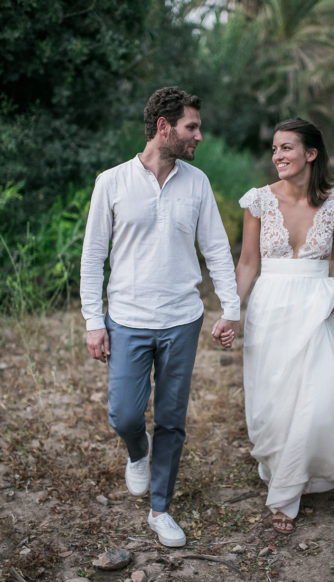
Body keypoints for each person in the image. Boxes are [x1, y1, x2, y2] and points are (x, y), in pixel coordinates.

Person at [80, 86, 240, 547]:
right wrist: (95, 320)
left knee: (171, 418)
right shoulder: (111, 182)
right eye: (192, 127)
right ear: (164, 127)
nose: (200, 136)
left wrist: (230, 308)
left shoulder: (198, 183)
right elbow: (93, 258)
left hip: (181, 319)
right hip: (126, 319)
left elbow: (215, 250)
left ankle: (160, 508)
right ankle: (137, 452)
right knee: (125, 414)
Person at [225, 118, 334, 534]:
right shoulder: (258, 200)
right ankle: (285, 469)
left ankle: (289, 493)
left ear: (310, 154)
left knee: (322, 390)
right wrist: (232, 310)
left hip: (317, 303)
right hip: (270, 305)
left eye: (287, 148)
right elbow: (249, 262)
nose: (278, 156)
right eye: (275, 149)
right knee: (274, 398)